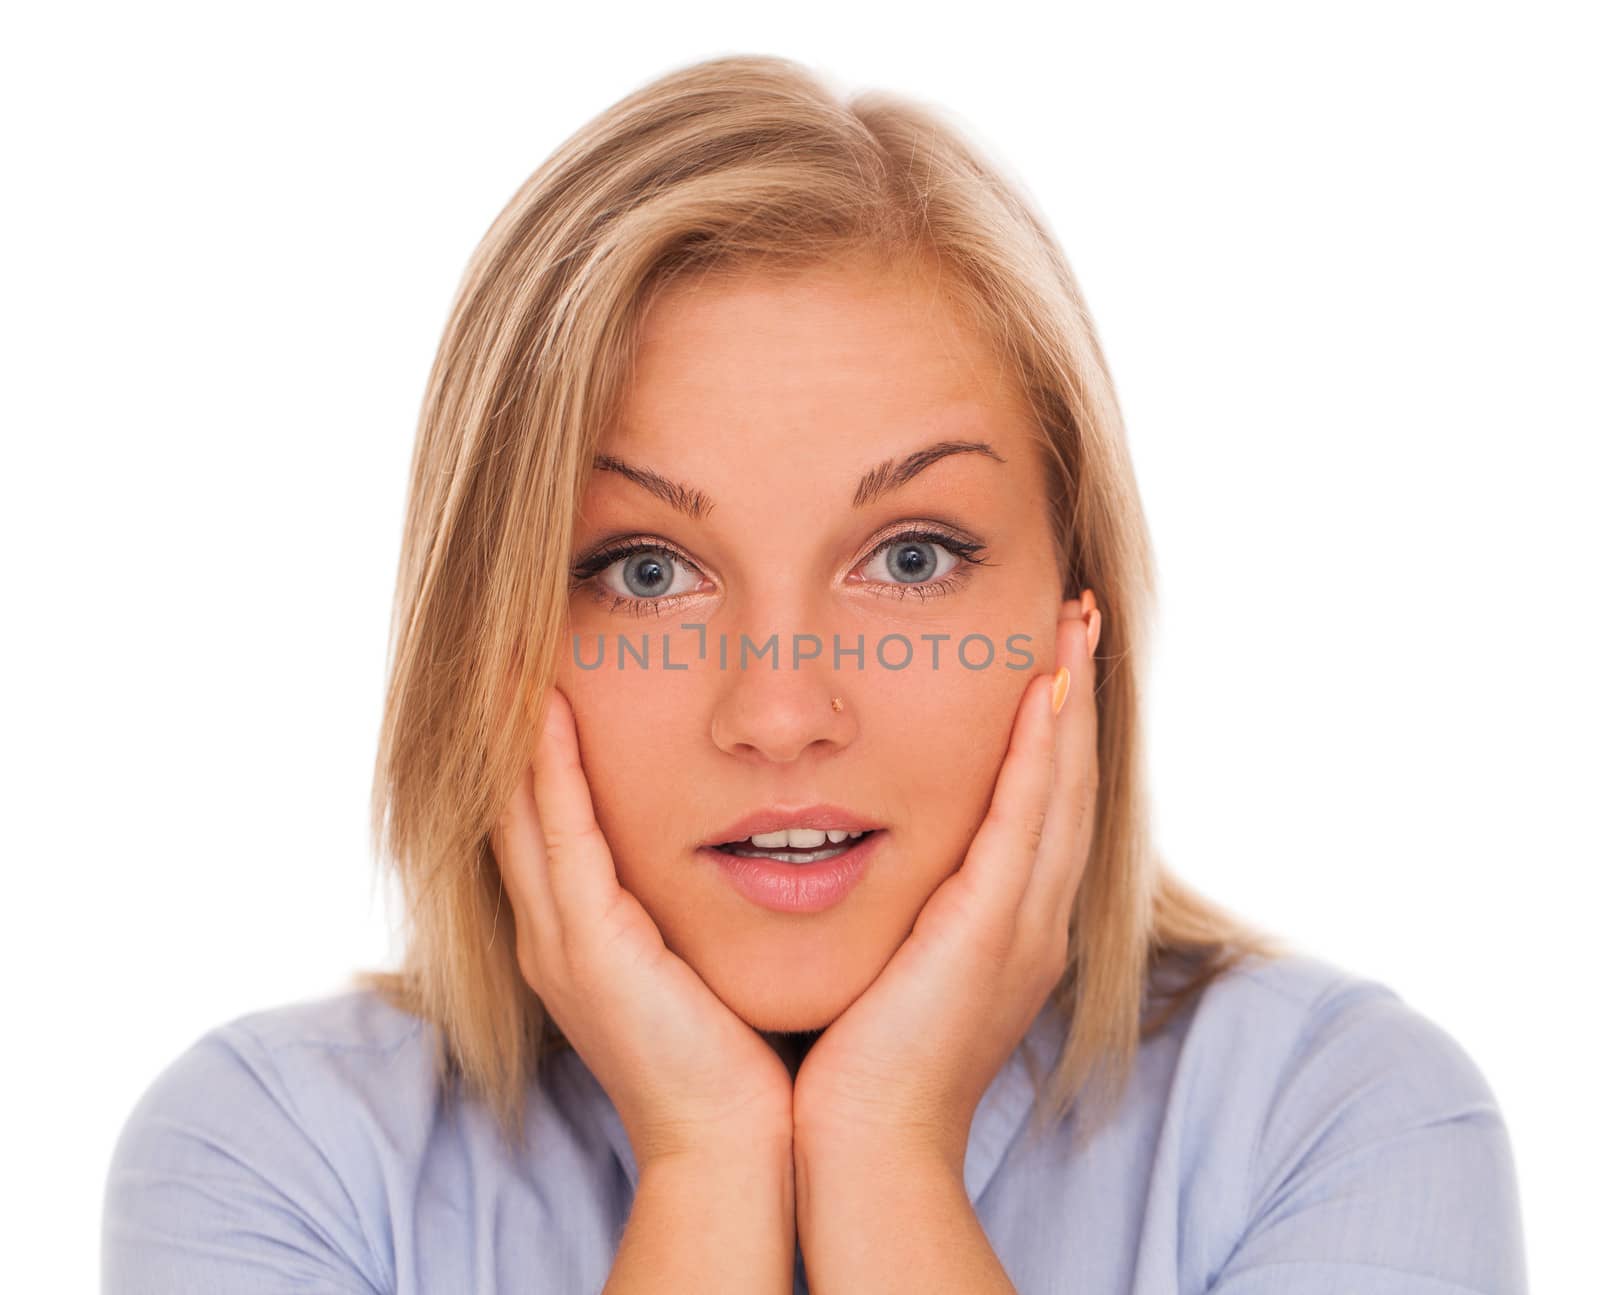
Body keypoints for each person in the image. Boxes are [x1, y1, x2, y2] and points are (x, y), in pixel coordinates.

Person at [100, 54, 1529, 1294]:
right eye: (644, 571)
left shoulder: (1346, 1124)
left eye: (909, 559)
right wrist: (706, 1164)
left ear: (1074, 620)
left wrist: (887, 1153)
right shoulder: (267, 1160)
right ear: (487, 634)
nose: (782, 714)